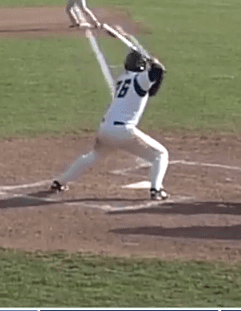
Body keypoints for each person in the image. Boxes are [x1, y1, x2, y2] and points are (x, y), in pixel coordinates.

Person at [51, 45, 170, 201]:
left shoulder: (123, 79)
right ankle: (156, 189)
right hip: (123, 131)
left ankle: (60, 182)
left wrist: (156, 68)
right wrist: (155, 62)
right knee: (160, 154)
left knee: (93, 156)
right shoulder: (140, 79)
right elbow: (157, 72)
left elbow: (152, 89)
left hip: (105, 129)